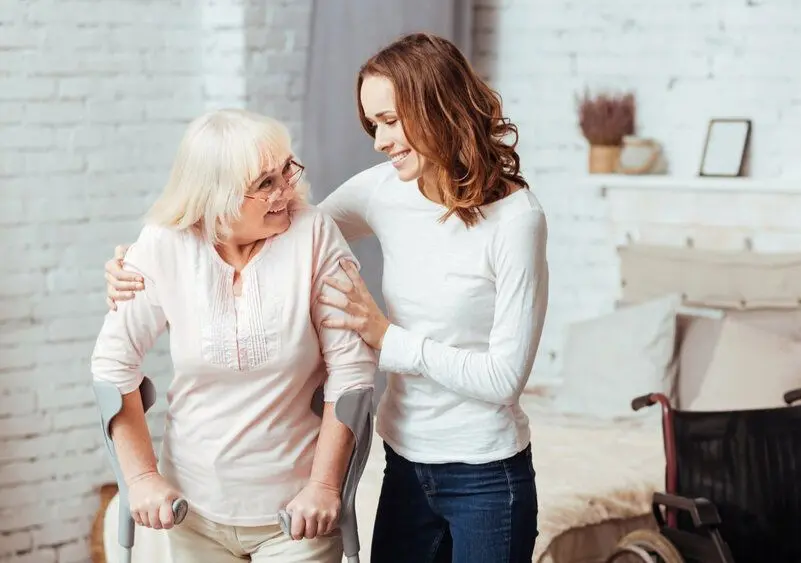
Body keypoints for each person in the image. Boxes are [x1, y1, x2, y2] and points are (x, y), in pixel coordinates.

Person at [103, 32, 548, 563]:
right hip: (404, 458)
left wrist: (386, 338)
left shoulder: (517, 220)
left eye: (389, 120)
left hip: (484, 468)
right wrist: (148, 259)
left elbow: (503, 379)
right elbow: (292, 228)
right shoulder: (384, 188)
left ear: (436, 105)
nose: (379, 141)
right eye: (372, 124)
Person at [92, 108, 376, 563]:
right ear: (215, 197)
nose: (287, 191)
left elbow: (353, 371)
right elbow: (112, 365)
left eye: (287, 170)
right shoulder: (164, 244)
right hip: (192, 509)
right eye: (266, 184)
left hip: (296, 515)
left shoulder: (313, 233)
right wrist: (142, 477)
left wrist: (325, 486)